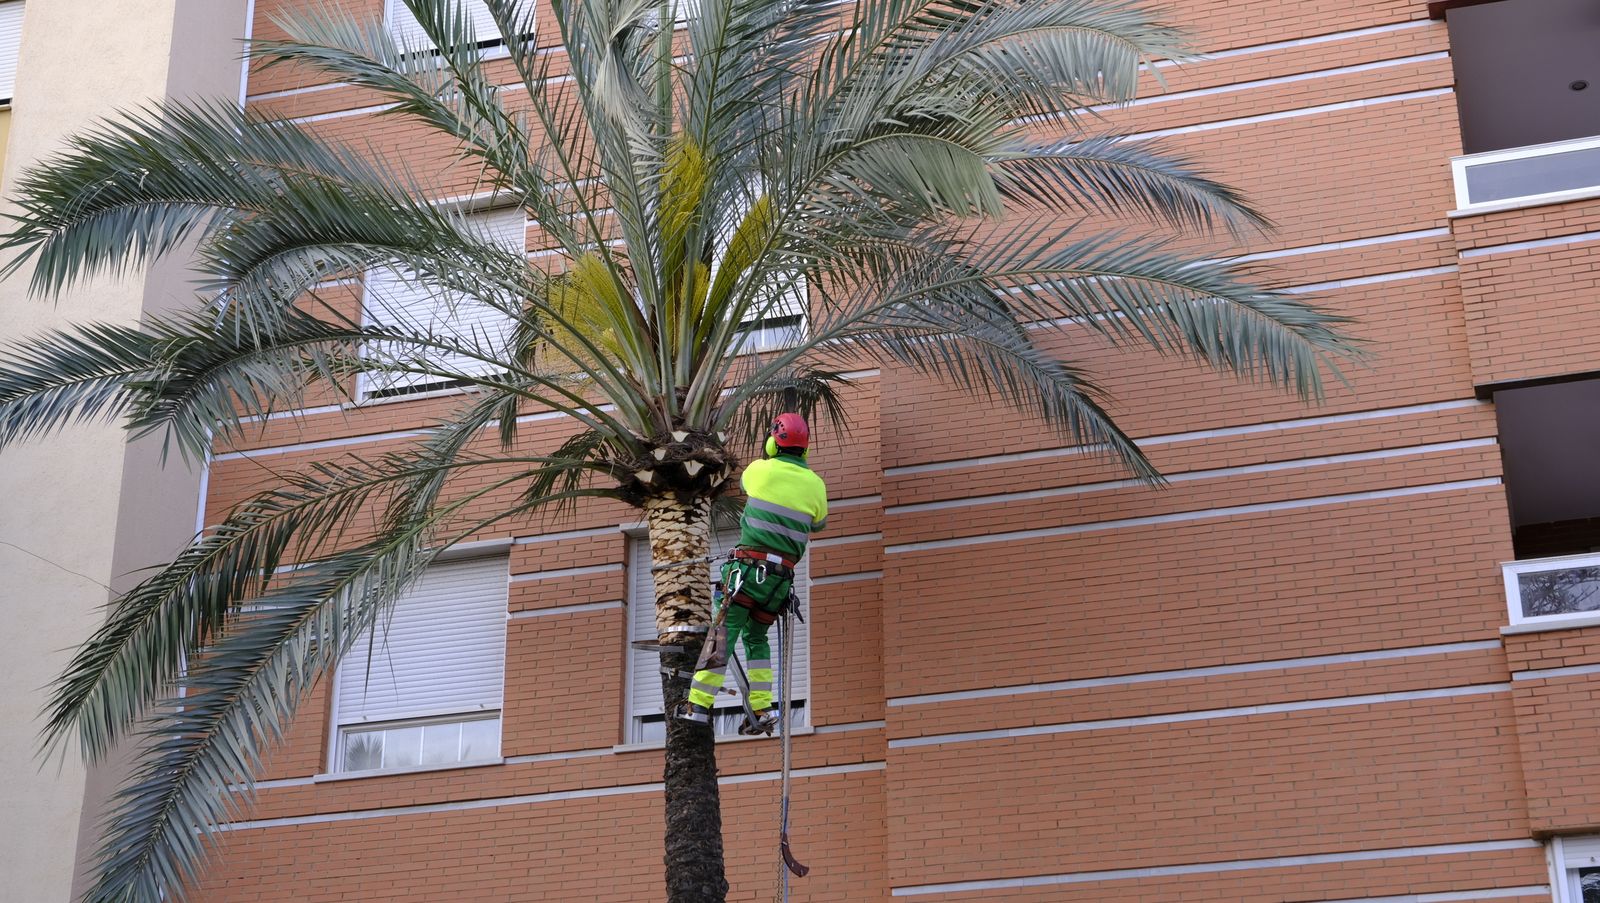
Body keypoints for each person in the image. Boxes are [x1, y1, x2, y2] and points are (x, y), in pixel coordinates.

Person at [677, 413, 827, 733]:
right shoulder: (816, 485)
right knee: (757, 639)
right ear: (806, 450)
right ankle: (761, 709)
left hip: (747, 572)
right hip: (776, 584)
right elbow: (818, 523)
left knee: (723, 635)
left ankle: (698, 704)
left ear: (774, 443)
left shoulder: (760, 470)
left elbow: (745, 484)